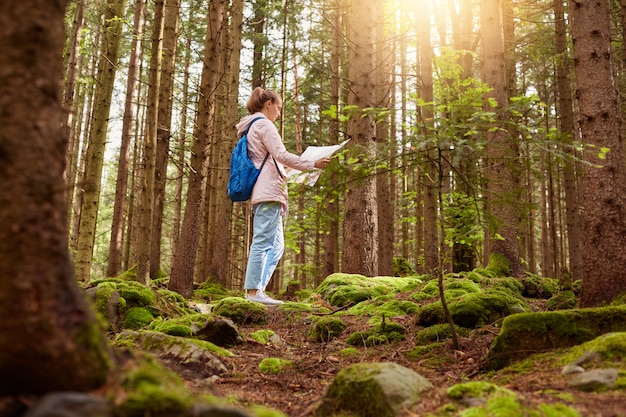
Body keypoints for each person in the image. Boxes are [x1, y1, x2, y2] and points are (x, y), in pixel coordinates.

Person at [236, 87, 330, 305]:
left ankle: (257, 290)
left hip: (270, 191)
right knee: (262, 241)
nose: (279, 113)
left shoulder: (254, 127)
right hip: (268, 193)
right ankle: (252, 293)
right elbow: (281, 154)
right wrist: (311, 163)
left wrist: (293, 171)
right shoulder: (263, 125)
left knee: (277, 246)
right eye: (278, 107)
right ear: (268, 104)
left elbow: (272, 162)